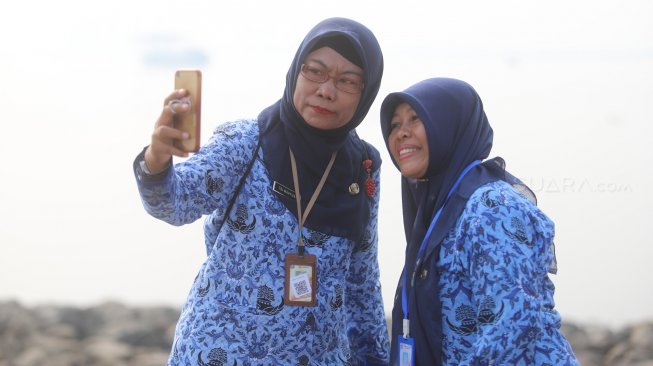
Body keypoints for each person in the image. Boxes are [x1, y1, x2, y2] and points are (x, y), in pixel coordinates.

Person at [133, 17, 389, 365]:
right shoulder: (246, 143)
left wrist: (374, 358)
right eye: (315, 71)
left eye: (347, 81)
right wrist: (157, 159)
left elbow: (361, 283)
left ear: (366, 93)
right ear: (295, 72)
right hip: (219, 354)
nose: (326, 90)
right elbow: (174, 203)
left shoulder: (363, 168)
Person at [379, 77, 579, 365]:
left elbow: (511, 326)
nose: (401, 133)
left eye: (415, 119)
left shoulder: (491, 207)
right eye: (395, 124)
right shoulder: (440, 211)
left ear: (449, 127)